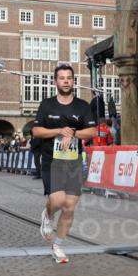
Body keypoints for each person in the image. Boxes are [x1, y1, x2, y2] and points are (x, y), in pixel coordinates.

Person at [32, 64, 97, 264]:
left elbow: (92, 132)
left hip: (73, 161)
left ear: (73, 81)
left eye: (69, 78)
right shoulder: (47, 105)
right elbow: (37, 131)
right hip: (52, 160)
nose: (66, 81)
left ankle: (57, 245)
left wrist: (74, 133)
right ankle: (48, 213)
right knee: (58, 201)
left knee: (69, 207)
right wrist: (59, 131)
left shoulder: (82, 106)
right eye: (62, 78)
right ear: (55, 81)